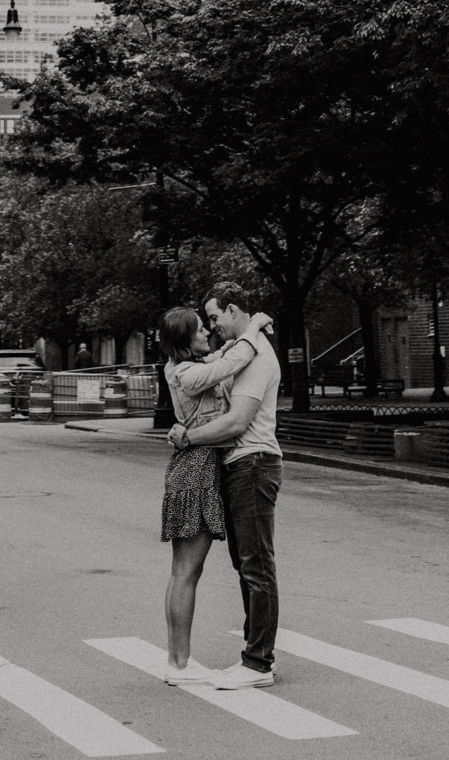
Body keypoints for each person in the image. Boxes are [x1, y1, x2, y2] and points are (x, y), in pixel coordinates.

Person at [167, 281, 283, 690]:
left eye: (214, 319)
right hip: (226, 466)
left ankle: (257, 663)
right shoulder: (201, 365)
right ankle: (199, 661)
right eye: (202, 326)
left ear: (234, 310)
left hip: (251, 463)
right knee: (239, 565)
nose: (211, 329)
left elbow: (235, 423)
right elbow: (222, 362)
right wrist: (251, 332)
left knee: (254, 566)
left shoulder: (255, 356)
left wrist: (186, 436)